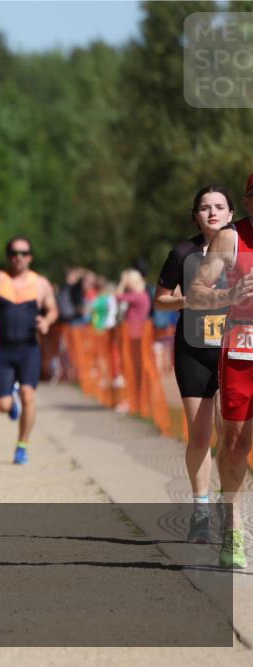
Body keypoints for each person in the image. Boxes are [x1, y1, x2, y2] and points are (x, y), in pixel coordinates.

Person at [155, 185, 234, 543]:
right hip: (194, 349)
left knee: (231, 436)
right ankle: (200, 510)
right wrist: (192, 300)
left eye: (219, 207)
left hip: (234, 349)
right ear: (194, 216)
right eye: (204, 207)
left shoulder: (245, 251)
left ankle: (228, 504)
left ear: (232, 214)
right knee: (200, 434)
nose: (212, 213)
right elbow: (161, 301)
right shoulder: (183, 253)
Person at [189, 173, 253, 569]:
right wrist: (229, 295)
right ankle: (233, 529)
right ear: (249, 199)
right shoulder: (231, 238)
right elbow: (196, 292)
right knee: (233, 447)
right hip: (244, 348)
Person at [0, 236, 58, 465]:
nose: (18, 258)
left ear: (30, 257)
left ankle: (22, 446)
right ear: (8, 256)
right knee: (2, 406)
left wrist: (46, 321)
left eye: (23, 253)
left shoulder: (41, 284)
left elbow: (52, 310)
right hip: (3, 348)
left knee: (29, 396)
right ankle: (11, 405)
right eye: (14, 253)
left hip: (29, 348)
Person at [114, 269, 152, 413]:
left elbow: (117, 297)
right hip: (135, 336)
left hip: (136, 336)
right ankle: (137, 400)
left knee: (135, 369)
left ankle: (137, 400)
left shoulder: (139, 296)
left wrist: (123, 282)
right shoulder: (140, 295)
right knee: (135, 370)